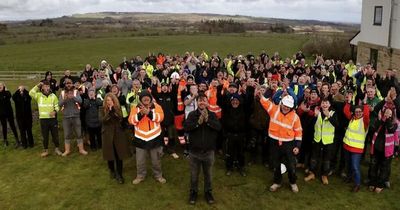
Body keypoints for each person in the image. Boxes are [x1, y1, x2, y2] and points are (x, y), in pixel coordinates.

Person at [258, 93, 302, 193]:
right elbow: (266, 103)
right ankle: (277, 182)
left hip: (288, 144)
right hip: (274, 142)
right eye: (285, 105)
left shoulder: (295, 117)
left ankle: (293, 182)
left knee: (291, 165)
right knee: (276, 164)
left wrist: (297, 146)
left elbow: (298, 131)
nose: (286, 108)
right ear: (281, 103)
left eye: (289, 107)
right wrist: (260, 95)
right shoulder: (274, 109)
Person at [184, 93, 222, 205]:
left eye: (204, 100)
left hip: (208, 152)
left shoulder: (212, 115)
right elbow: (186, 127)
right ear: (197, 102)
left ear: (207, 102)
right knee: (194, 175)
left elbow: (218, 127)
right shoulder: (191, 115)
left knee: (208, 175)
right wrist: (197, 123)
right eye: (199, 100)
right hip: (194, 152)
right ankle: (193, 193)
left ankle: (208, 193)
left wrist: (207, 121)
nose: (202, 102)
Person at [128, 90, 166, 185]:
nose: (146, 99)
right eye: (143, 97)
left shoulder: (157, 106)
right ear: (140, 99)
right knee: (140, 160)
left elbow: (160, 117)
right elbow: (131, 121)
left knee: (155, 160)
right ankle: (140, 176)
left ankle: (158, 175)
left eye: (147, 97)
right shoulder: (135, 108)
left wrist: (149, 113)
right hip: (140, 138)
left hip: (154, 137)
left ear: (150, 98)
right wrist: (140, 114)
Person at [304, 98, 338, 185]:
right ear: (321, 104)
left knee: (326, 159)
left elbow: (336, 125)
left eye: (326, 103)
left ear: (329, 105)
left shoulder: (333, 113)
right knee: (314, 158)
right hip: (317, 138)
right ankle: (312, 173)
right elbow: (310, 125)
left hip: (328, 140)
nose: (324, 104)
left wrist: (329, 116)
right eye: (323, 103)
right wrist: (314, 116)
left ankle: (324, 175)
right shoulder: (317, 112)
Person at [343, 93, 370, 192]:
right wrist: (348, 102)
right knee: (348, 164)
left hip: (356, 149)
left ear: (362, 112)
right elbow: (346, 111)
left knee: (355, 166)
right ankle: (349, 178)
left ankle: (357, 184)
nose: (358, 113)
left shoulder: (364, 121)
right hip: (347, 146)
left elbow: (367, 114)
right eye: (356, 111)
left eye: (360, 112)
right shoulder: (352, 118)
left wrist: (365, 104)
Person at [102, 93, 131, 184]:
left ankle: (119, 174)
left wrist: (113, 110)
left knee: (119, 154)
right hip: (107, 134)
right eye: (107, 101)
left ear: (114, 101)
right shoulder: (102, 109)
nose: (109, 102)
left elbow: (121, 118)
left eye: (111, 100)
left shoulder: (119, 109)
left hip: (118, 134)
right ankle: (112, 170)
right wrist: (109, 112)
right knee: (110, 154)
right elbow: (103, 121)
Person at [29, 81, 63, 157]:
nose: (47, 87)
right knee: (45, 136)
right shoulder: (38, 96)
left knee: (55, 135)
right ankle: (46, 150)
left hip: (52, 119)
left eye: (48, 86)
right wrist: (38, 85)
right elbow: (31, 93)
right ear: (42, 88)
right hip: (43, 120)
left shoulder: (53, 96)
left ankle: (57, 149)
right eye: (45, 86)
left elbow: (57, 106)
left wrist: (55, 111)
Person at [59, 79, 87, 156]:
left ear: (72, 84)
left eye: (70, 83)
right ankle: (67, 150)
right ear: (65, 84)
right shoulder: (62, 93)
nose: (68, 84)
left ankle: (81, 149)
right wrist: (65, 99)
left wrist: (73, 97)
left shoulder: (76, 92)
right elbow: (60, 104)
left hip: (76, 116)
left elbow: (80, 101)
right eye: (67, 83)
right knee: (67, 134)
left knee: (79, 133)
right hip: (66, 117)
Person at [0, 82, 20, 147]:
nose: (0, 86)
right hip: (1, 113)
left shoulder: (7, 92)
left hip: (9, 112)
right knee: (4, 126)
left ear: (4, 86)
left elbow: (9, 96)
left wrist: (5, 90)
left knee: (12, 126)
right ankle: (5, 141)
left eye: (1, 85)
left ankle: (17, 140)